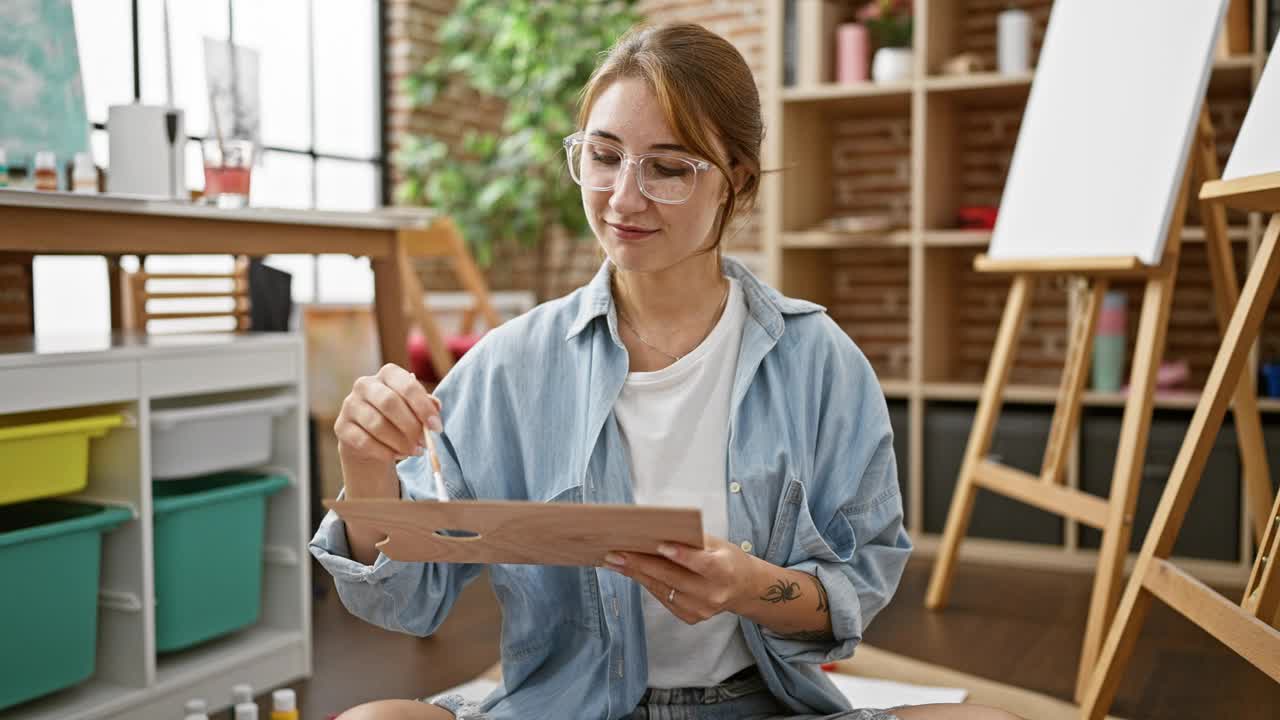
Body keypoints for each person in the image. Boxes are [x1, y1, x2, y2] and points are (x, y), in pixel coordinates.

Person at [313, 22, 1022, 720]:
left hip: (759, 707)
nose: (623, 198)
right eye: (604, 155)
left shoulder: (818, 360)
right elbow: (405, 601)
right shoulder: (512, 365)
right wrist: (366, 466)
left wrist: (751, 587)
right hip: (564, 709)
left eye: (668, 167)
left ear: (733, 182)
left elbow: (858, 586)